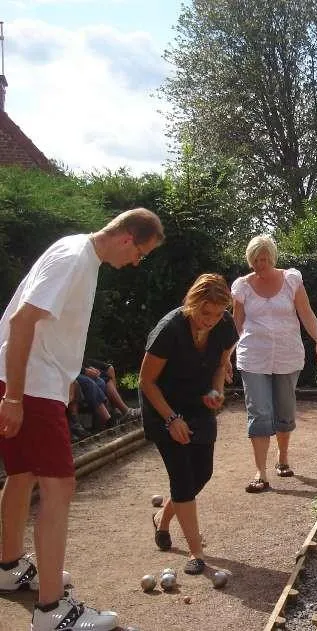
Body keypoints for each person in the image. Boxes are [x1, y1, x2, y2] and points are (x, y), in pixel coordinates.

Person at [0, 208, 163, 631]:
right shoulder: (75, 258)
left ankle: (7, 565)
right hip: (30, 386)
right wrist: (15, 396)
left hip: (34, 383)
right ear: (128, 238)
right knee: (59, 486)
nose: (137, 262)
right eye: (141, 252)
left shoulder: (77, 253)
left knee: (21, 473)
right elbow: (20, 323)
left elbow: (47, 328)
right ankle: (52, 610)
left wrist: (67, 377)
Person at [139, 273, 238, 574]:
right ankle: (196, 553)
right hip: (163, 405)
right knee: (182, 477)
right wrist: (170, 418)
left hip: (198, 402)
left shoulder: (224, 326)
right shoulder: (170, 329)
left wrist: (216, 391)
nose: (211, 319)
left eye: (219, 313)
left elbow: (220, 366)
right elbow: (146, 381)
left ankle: (163, 519)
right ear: (192, 303)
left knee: (202, 473)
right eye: (205, 312)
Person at [231, 235, 317, 493]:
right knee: (259, 411)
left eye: (264, 259)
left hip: (287, 355)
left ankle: (282, 456)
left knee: (284, 409)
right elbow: (236, 323)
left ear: (272, 258)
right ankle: (260, 474)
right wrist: (226, 357)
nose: (260, 264)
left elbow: (306, 313)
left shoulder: (291, 280)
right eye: (255, 260)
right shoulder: (241, 286)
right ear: (249, 260)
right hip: (253, 356)